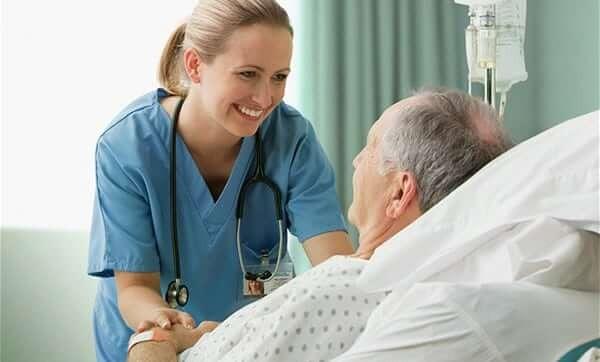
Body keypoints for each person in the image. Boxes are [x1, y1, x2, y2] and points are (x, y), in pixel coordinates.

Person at [127, 88, 513, 361]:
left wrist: (152, 340)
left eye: (372, 146)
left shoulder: (338, 292)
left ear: (399, 193)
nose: (357, 161)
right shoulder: (412, 285)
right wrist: (211, 336)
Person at [87, 1, 355, 361]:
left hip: (250, 346)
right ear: (195, 66)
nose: (265, 98)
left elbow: (336, 267)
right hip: (152, 341)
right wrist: (163, 323)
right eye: (247, 74)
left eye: (279, 77)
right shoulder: (128, 146)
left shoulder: (291, 139)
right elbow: (134, 288)